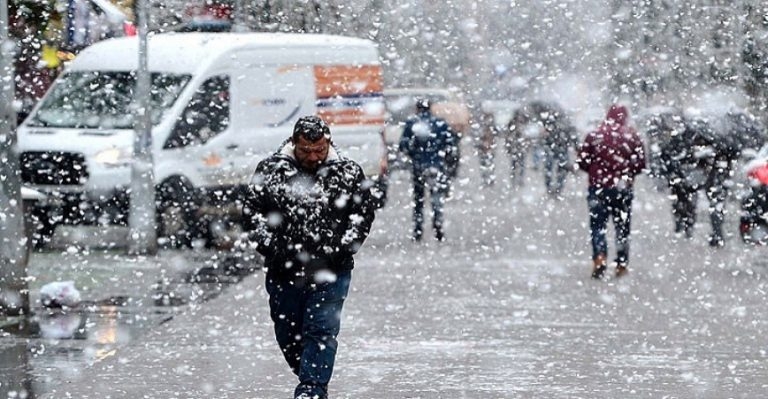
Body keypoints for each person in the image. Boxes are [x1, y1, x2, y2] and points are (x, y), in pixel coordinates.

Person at [241, 116, 376, 399]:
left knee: (321, 331)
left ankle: (311, 389)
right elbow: (251, 214)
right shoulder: (270, 171)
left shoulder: (348, 173)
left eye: (319, 150)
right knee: (288, 334)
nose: (313, 157)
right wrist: (272, 248)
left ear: (328, 143)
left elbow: (362, 215)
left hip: (331, 270)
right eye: (306, 150)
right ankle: (308, 373)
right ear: (294, 144)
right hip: (284, 271)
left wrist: (342, 248)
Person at [577, 104, 646, 279]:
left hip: (598, 188)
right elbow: (640, 164)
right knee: (622, 227)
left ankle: (599, 257)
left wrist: (596, 173)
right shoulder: (632, 137)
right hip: (623, 189)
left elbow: (583, 161)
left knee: (598, 226)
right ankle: (621, 264)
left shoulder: (594, 135)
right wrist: (626, 173)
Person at [398, 98, 456, 241]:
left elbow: (404, 145)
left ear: (417, 109)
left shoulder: (412, 124)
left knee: (419, 199)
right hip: (437, 166)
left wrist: (413, 155)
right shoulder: (440, 124)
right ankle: (438, 227)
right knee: (436, 198)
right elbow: (451, 145)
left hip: (419, 166)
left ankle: (418, 230)